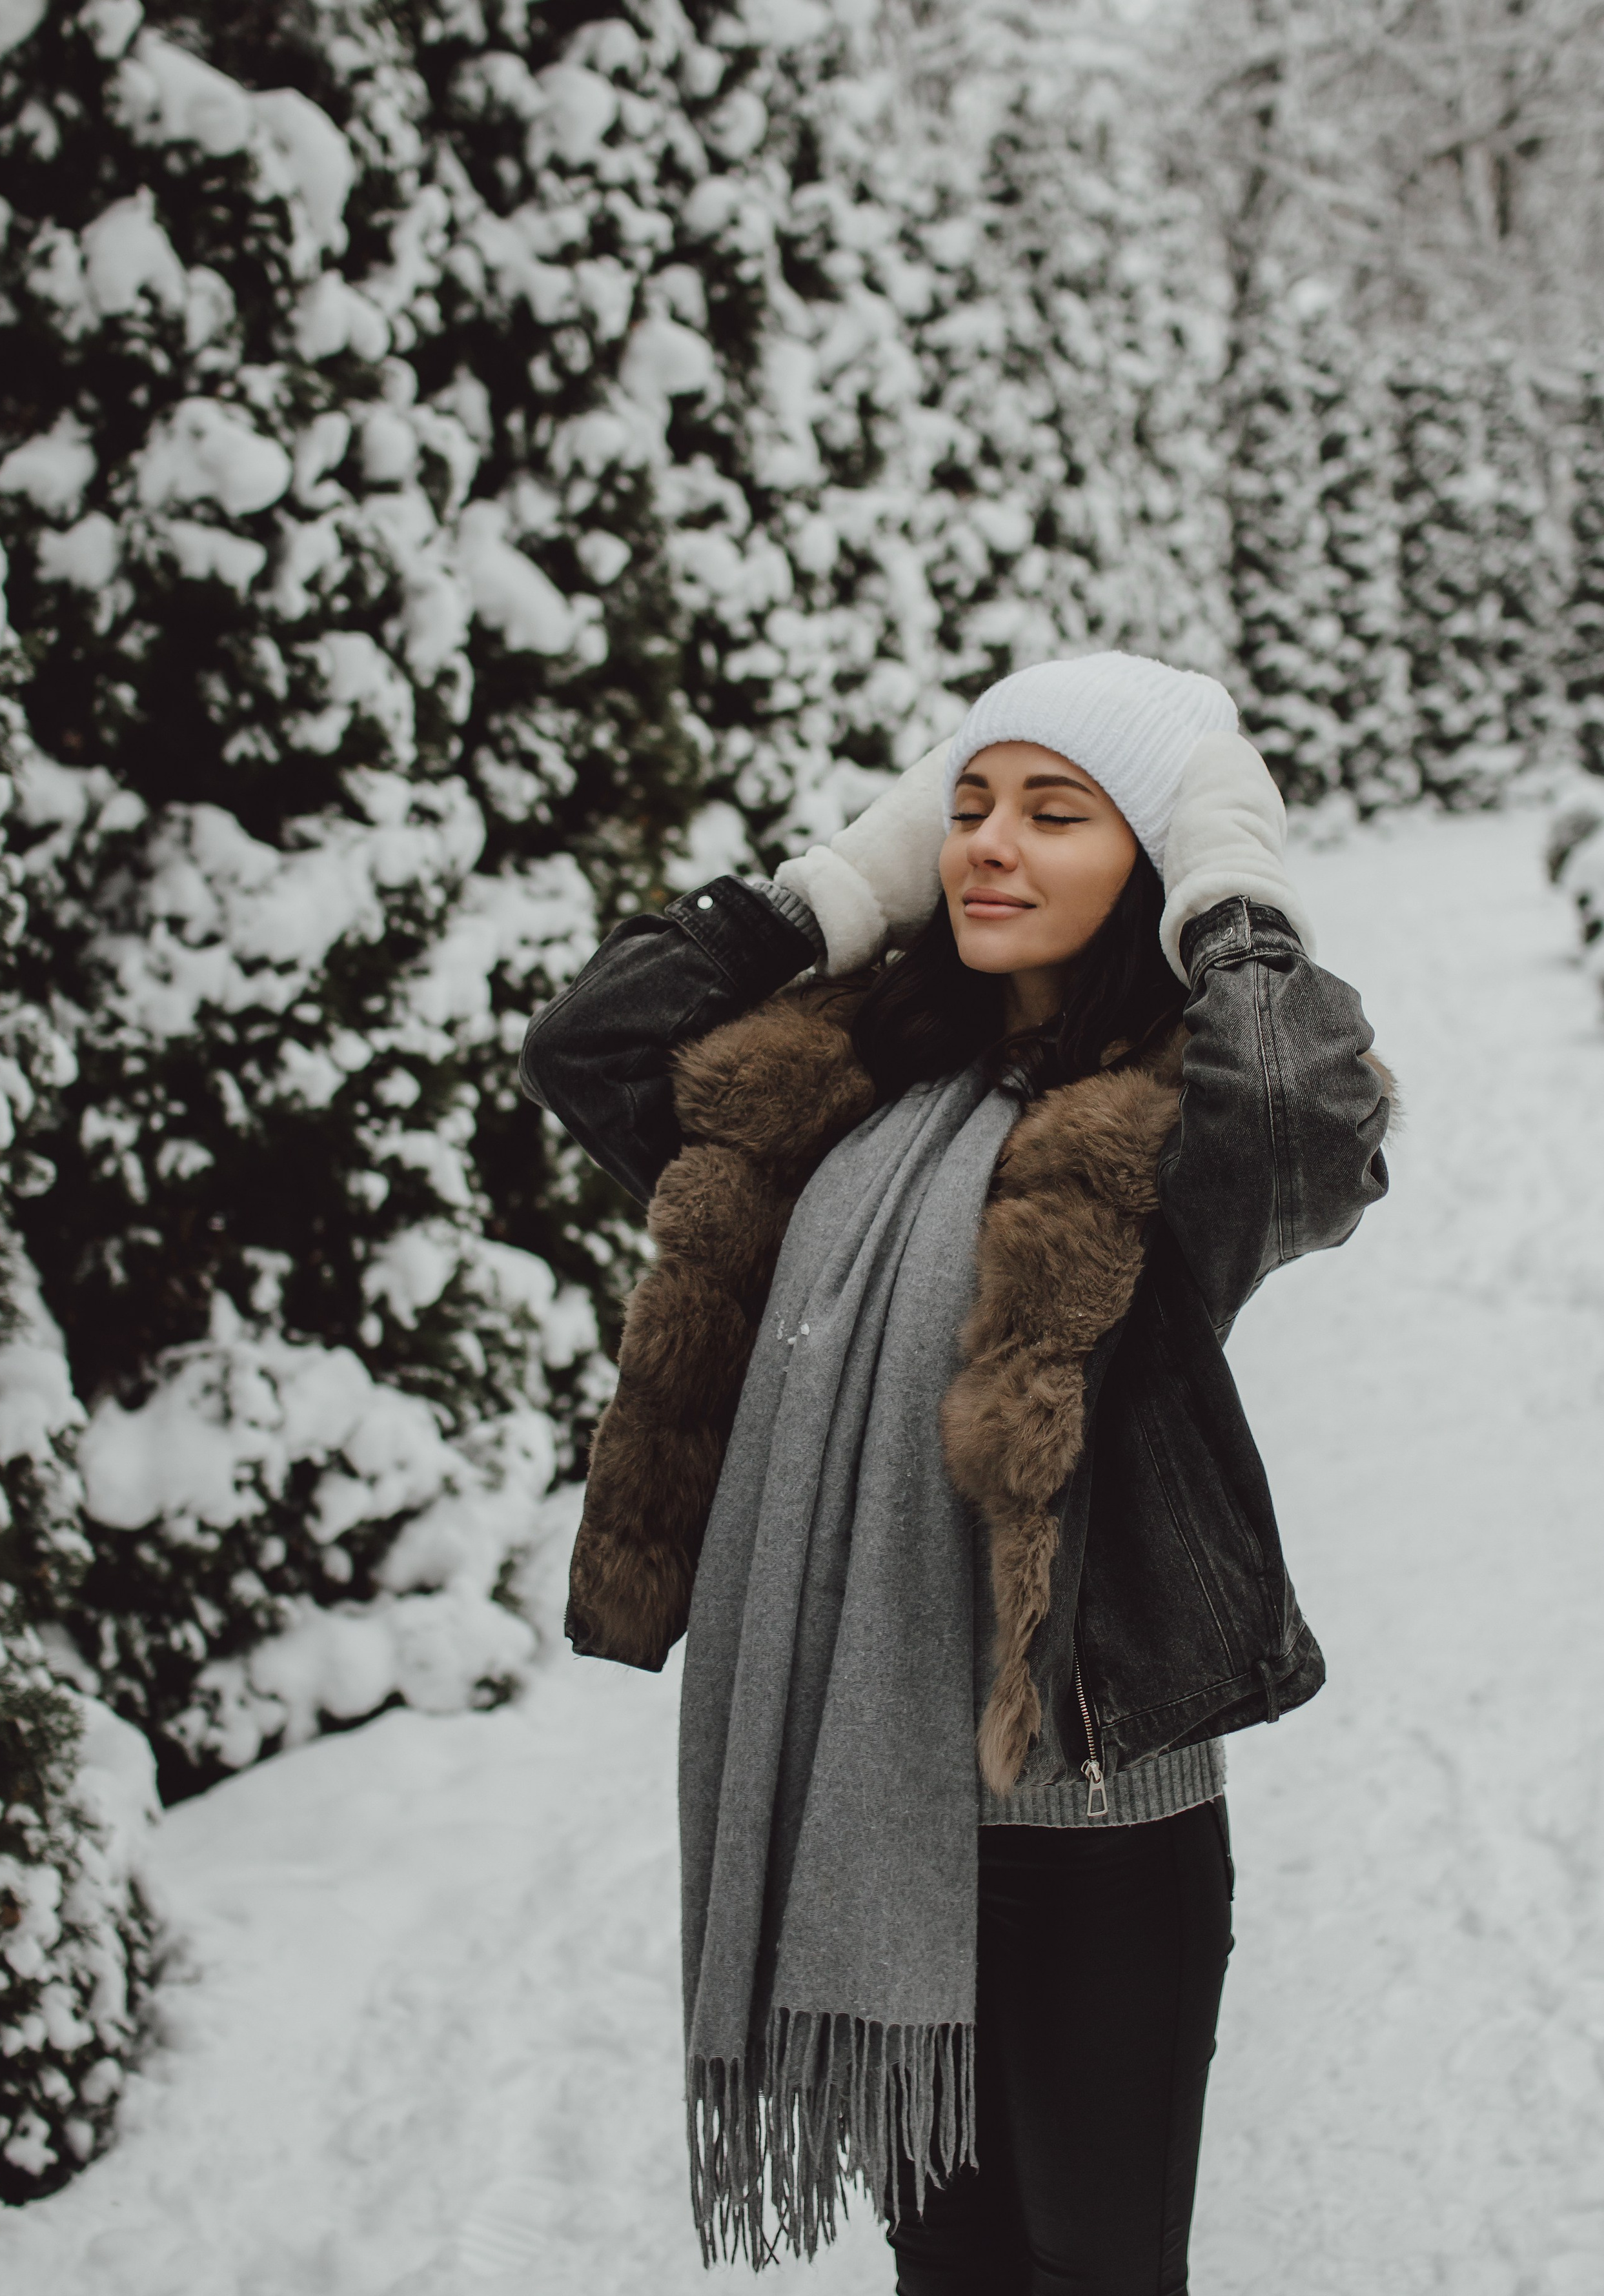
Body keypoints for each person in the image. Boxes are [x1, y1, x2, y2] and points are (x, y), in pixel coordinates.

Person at [520, 651, 1393, 2296]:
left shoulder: (1168, 1129)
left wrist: (1230, 877)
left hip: (1089, 1814)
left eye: (1056, 814)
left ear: (1147, 861)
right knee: (948, 2271)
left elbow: (1300, 1100)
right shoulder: (821, 1093)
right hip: (859, 1798)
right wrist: (842, 876)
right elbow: (588, 1041)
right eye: (967, 806)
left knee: (1095, 2266)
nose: (990, 843)